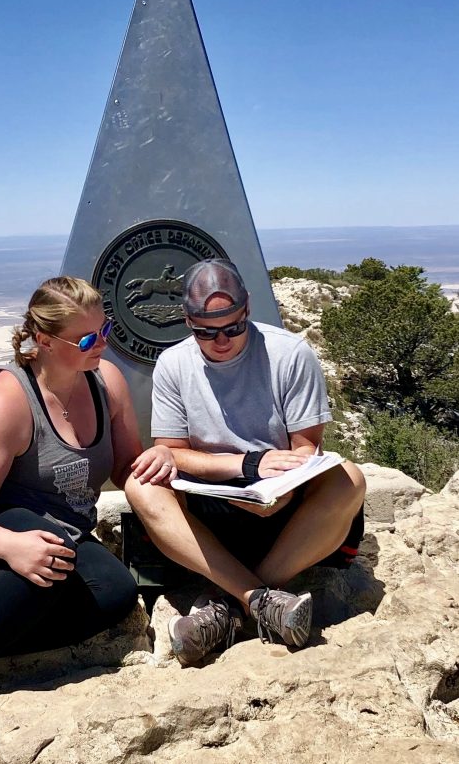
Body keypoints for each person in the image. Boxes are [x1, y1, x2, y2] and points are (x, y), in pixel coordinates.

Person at [0, 276, 173, 752]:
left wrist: (158, 459)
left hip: (61, 534)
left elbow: (125, 467)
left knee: (117, 594)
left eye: (107, 331)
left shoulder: (107, 382)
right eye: (87, 339)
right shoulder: (9, 399)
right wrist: (11, 546)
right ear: (43, 340)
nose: (102, 344)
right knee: (47, 560)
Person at [125, 258, 366, 666]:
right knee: (140, 485)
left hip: (283, 502)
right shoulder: (174, 363)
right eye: (206, 332)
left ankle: (229, 608)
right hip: (215, 496)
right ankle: (261, 602)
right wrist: (247, 466)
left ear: (248, 309)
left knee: (351, 479)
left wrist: (279, 488)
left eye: (232, 328)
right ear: (186, 320)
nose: (221, 341)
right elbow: (171, 451)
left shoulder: (290, 354)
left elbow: (306, 451)